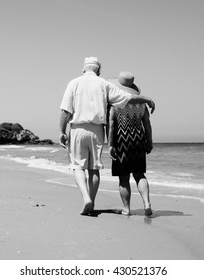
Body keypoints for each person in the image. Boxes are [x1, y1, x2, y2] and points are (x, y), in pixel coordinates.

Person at [59, 57, 155, 215]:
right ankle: (143, 203)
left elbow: (66, 110)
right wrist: (147, 100)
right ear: (98, 70)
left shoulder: (74, 83)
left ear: (84, 69)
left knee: (81, 167)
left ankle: (94, 201)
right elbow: (137, 109)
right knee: (98, 169)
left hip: (89, 131)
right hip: (113, 133)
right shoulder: (106, 85)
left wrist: (62, 131)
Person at [108, 71, 153, 216]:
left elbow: (112, 125)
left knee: (123, 177)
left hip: (122, 141)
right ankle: (146, 203)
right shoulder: (142, 105)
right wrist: (149, 141)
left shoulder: (116, 103)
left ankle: (126, 209)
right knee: (140, 175)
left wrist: (110, 145)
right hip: (139, 141)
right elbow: (147, 124)